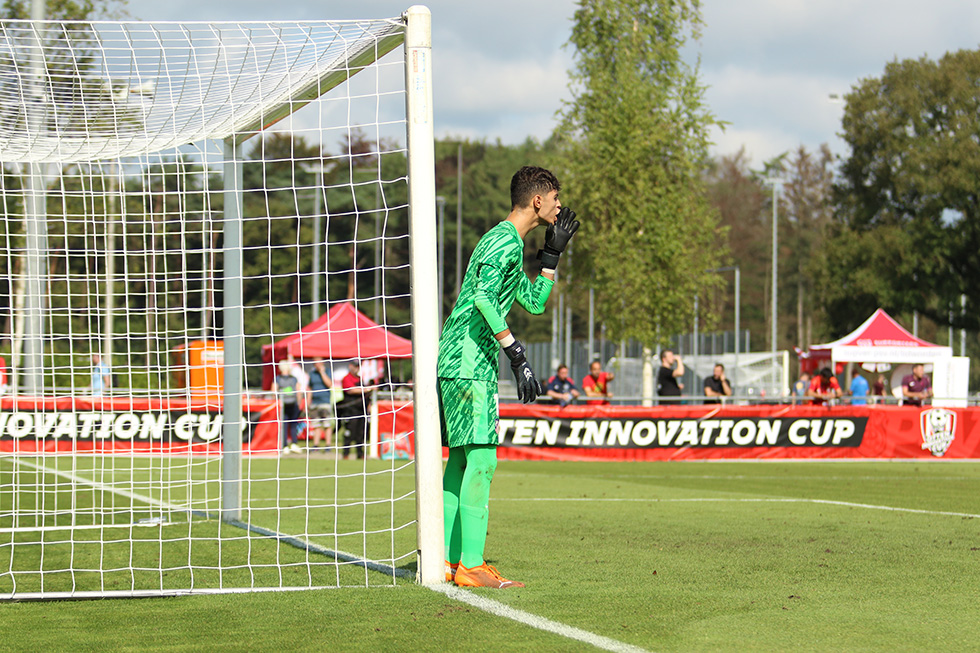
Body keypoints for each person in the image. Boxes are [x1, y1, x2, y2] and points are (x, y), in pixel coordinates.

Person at [437, 166, 578, 589]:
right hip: (468, 362)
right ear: (538, 200)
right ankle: (471, 565)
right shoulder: (503, 242)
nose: (559, 205)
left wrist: (551, 259)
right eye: (555, 198)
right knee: (482, 460)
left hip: (462, 359)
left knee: (463, 461)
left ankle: (446, 561)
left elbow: (533, 303)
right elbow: (482, 297)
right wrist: (515, 352)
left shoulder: (507, 242)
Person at [337, 360, 371, 459]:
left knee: (360, 433)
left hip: (361, 410)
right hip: (350, 410)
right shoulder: (347, 378)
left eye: (358, 366)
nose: (357, 368)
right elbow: (350, 390)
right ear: (350, 366)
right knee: (349, 433)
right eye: (355, 366)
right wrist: (367, 389)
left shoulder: (360, 379)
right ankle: (346, 453)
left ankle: (360, 454)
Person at [272, 359, 305, 454]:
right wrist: (299, 404)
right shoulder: (293, 379)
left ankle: (285, 445)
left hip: (283, 405)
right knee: (293, 425)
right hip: (293, 403)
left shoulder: (278, 379)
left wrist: (276, 402)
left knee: (284, 425)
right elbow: (298, 391)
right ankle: (294, 443)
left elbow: (273, 391)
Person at [307, 357, 334, 450]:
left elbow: (329, 384)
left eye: (318, 362)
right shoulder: (312, 374)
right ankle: (316, 445)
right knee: (315, 424)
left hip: (325, 401)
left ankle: (328, 445)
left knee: (327, 424)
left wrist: (322, 373)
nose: (316, 365)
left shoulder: (328, 371)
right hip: (315, 402)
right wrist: (308, 401)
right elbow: (309, 388)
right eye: (315, 363)